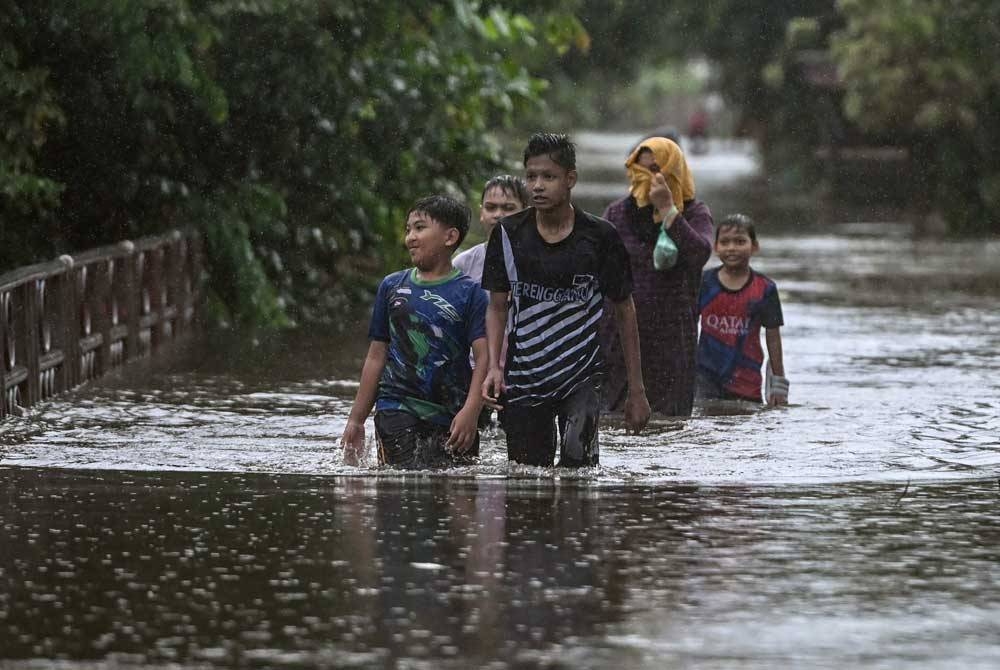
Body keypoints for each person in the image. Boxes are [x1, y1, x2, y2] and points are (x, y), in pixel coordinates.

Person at [481, 132, 650, 467]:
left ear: (570, 179)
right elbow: (497, 307)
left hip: (582, 377)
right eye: (531, 177)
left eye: (549, 177)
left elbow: (624, 310)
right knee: (527, 477)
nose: (538, 186)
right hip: (526, 375)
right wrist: (494, 368)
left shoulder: (601, 237)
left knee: (579, 473)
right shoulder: (507, 235)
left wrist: (636, 390)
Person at [340, 195, 489, 468]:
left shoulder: (472, 293)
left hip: (452, 413)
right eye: (408, 229)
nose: (410, 237)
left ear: (450, 237)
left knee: (453, 490)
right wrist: (356, 419)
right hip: (395, 406)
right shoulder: (392, 287)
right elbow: (376, 355)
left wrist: (471, 411)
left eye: (420, 228)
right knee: (400, 491)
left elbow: (483, 359)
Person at [600, 137, 713, 417]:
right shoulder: (617, 213)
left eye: (658, 169)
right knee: (616, 421)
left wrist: (667, 211)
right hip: (620, 339)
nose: (649, 178)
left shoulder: (696, 213)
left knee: (669, 426)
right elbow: (598, 272)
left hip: (672, 340)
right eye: (642, 169)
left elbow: (699, 254)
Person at [696, 213, 788, 405]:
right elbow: (687, 326)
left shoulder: (765, 289)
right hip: (704, 376)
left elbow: (773, 336)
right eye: (725, 242)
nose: (731, 248)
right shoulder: (703, 283)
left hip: (746, 377)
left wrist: (778, 383)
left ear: (754, 246)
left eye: (739, 241)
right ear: (715, 247)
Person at [454, 175, 530, 282]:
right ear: (481, 213)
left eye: (508, 208)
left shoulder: (542, 261)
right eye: (490, 208)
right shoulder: (463, 264)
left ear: (526, 214)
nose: (498, 215)